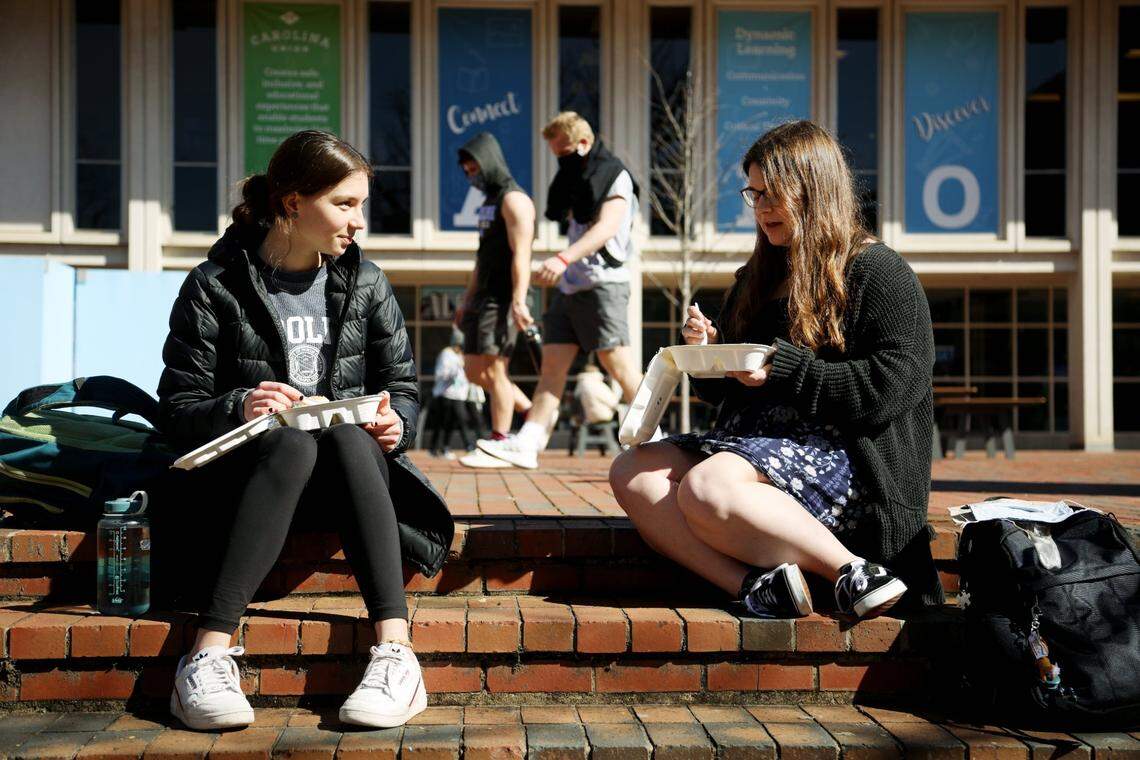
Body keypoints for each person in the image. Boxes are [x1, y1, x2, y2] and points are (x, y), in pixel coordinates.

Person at [156, 130, 453, 731]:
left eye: (361, 205)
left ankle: (396, 653)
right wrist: (240, 404)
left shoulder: (366, 283)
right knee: (290, 439)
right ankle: (207, 654)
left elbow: (403, 388)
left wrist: (397, 421)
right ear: (292, 203)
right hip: (254, 483)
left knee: (344, 434)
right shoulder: (214, 286)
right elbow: (177, 408)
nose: (359, 223)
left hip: (349, 480)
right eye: (345, 204)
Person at [608, 121, 943, 621]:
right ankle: (757, 587)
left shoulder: (878, 271)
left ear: (814, 189)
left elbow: (892, 388)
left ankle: (855, 571)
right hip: (749, 446)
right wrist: (711, 353)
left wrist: (785, 369)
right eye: (755, 193)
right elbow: (726, 396)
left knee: (707, 486)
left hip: (846, 459)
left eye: (774, 194)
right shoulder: (755, 278)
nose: (762, 208)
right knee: (631, 470)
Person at [467, 112, 643, 469]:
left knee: (618, 364)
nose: (561, 160)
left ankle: (659, 439)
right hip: (570, 287)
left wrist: (563, 259)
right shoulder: (576, 178)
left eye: (564, 151)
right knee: (552, 366)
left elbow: (607, 227)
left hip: (603, 284)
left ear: (583, 143)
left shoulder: (616, 176)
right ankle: (529, 444)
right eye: (555, 153)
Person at [453, 132, 536, 468]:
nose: (472, 175)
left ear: (489, 161)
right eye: (466, 170)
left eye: (475, 167)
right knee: (474, 370)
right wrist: (465, 300)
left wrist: (518, 300)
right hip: (482, 296)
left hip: (503, 298)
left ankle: (500, 441)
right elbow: (481, 257)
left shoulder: (514, 200)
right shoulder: (488, 202)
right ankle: (533, 413)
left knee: (494, 369)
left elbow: (522, 254)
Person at [430, 329, 473, 457]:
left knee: (450, 423)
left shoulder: (460, 355)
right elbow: (440, 374)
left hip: (458, 395)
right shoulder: (446, 354)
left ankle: (443, 448)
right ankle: (469, 446)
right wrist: (454, 371)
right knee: (453, 420)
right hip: (446, 394)